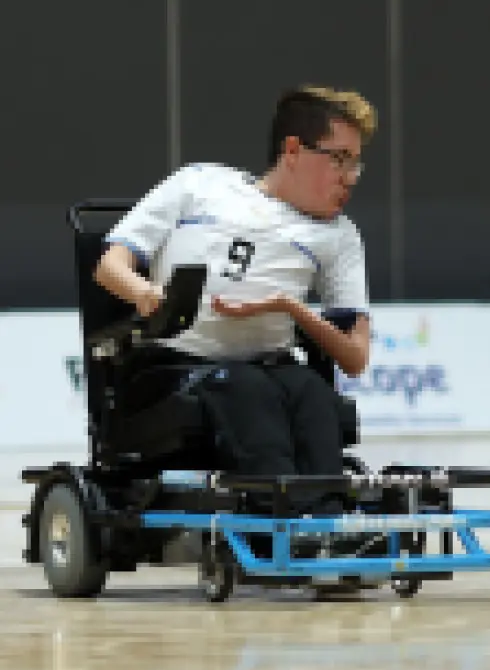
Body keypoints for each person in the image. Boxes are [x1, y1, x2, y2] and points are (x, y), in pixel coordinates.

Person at [94, 85, 374, 516]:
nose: (350, 177)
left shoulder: (338, 235)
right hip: (175, 364)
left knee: (312, 393)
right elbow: (109, 266)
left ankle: (329, 523)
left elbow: (354, 357)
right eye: (339, 158)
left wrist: (291, 307)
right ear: (294, 150)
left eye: (356, 163)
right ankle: (282, 524)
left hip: (273, 366)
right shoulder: (200, 184)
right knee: (244, 386)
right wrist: (146, 293)